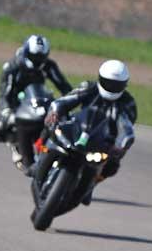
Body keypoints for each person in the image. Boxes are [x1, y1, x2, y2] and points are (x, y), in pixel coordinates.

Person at [42, 59, 137, 204]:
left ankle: (92, 182)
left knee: (112, 165)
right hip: (79, 127)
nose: (111, 87)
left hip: (103, 140)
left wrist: (120, 147)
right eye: (108, 83)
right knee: (50, 129)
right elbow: (66, 100)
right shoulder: (88, 87)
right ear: (100, 78)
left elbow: (127, 129)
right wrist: (55, 113)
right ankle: (41, 154)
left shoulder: (128, 103)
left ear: (124, 85)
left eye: (116, 85)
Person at [0, 34, 73, 169]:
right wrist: (6, 110)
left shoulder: (48, 66)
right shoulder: (13, 67)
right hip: (18, 103)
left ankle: (54, 146)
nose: (37, 60)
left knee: (62, 119)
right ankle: (16, 144)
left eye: (40, 57)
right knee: (3, 125)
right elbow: (5, 93)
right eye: (34, 57)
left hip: (40, 99)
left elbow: (64, 86)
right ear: (26, 52)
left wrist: (70, 102)